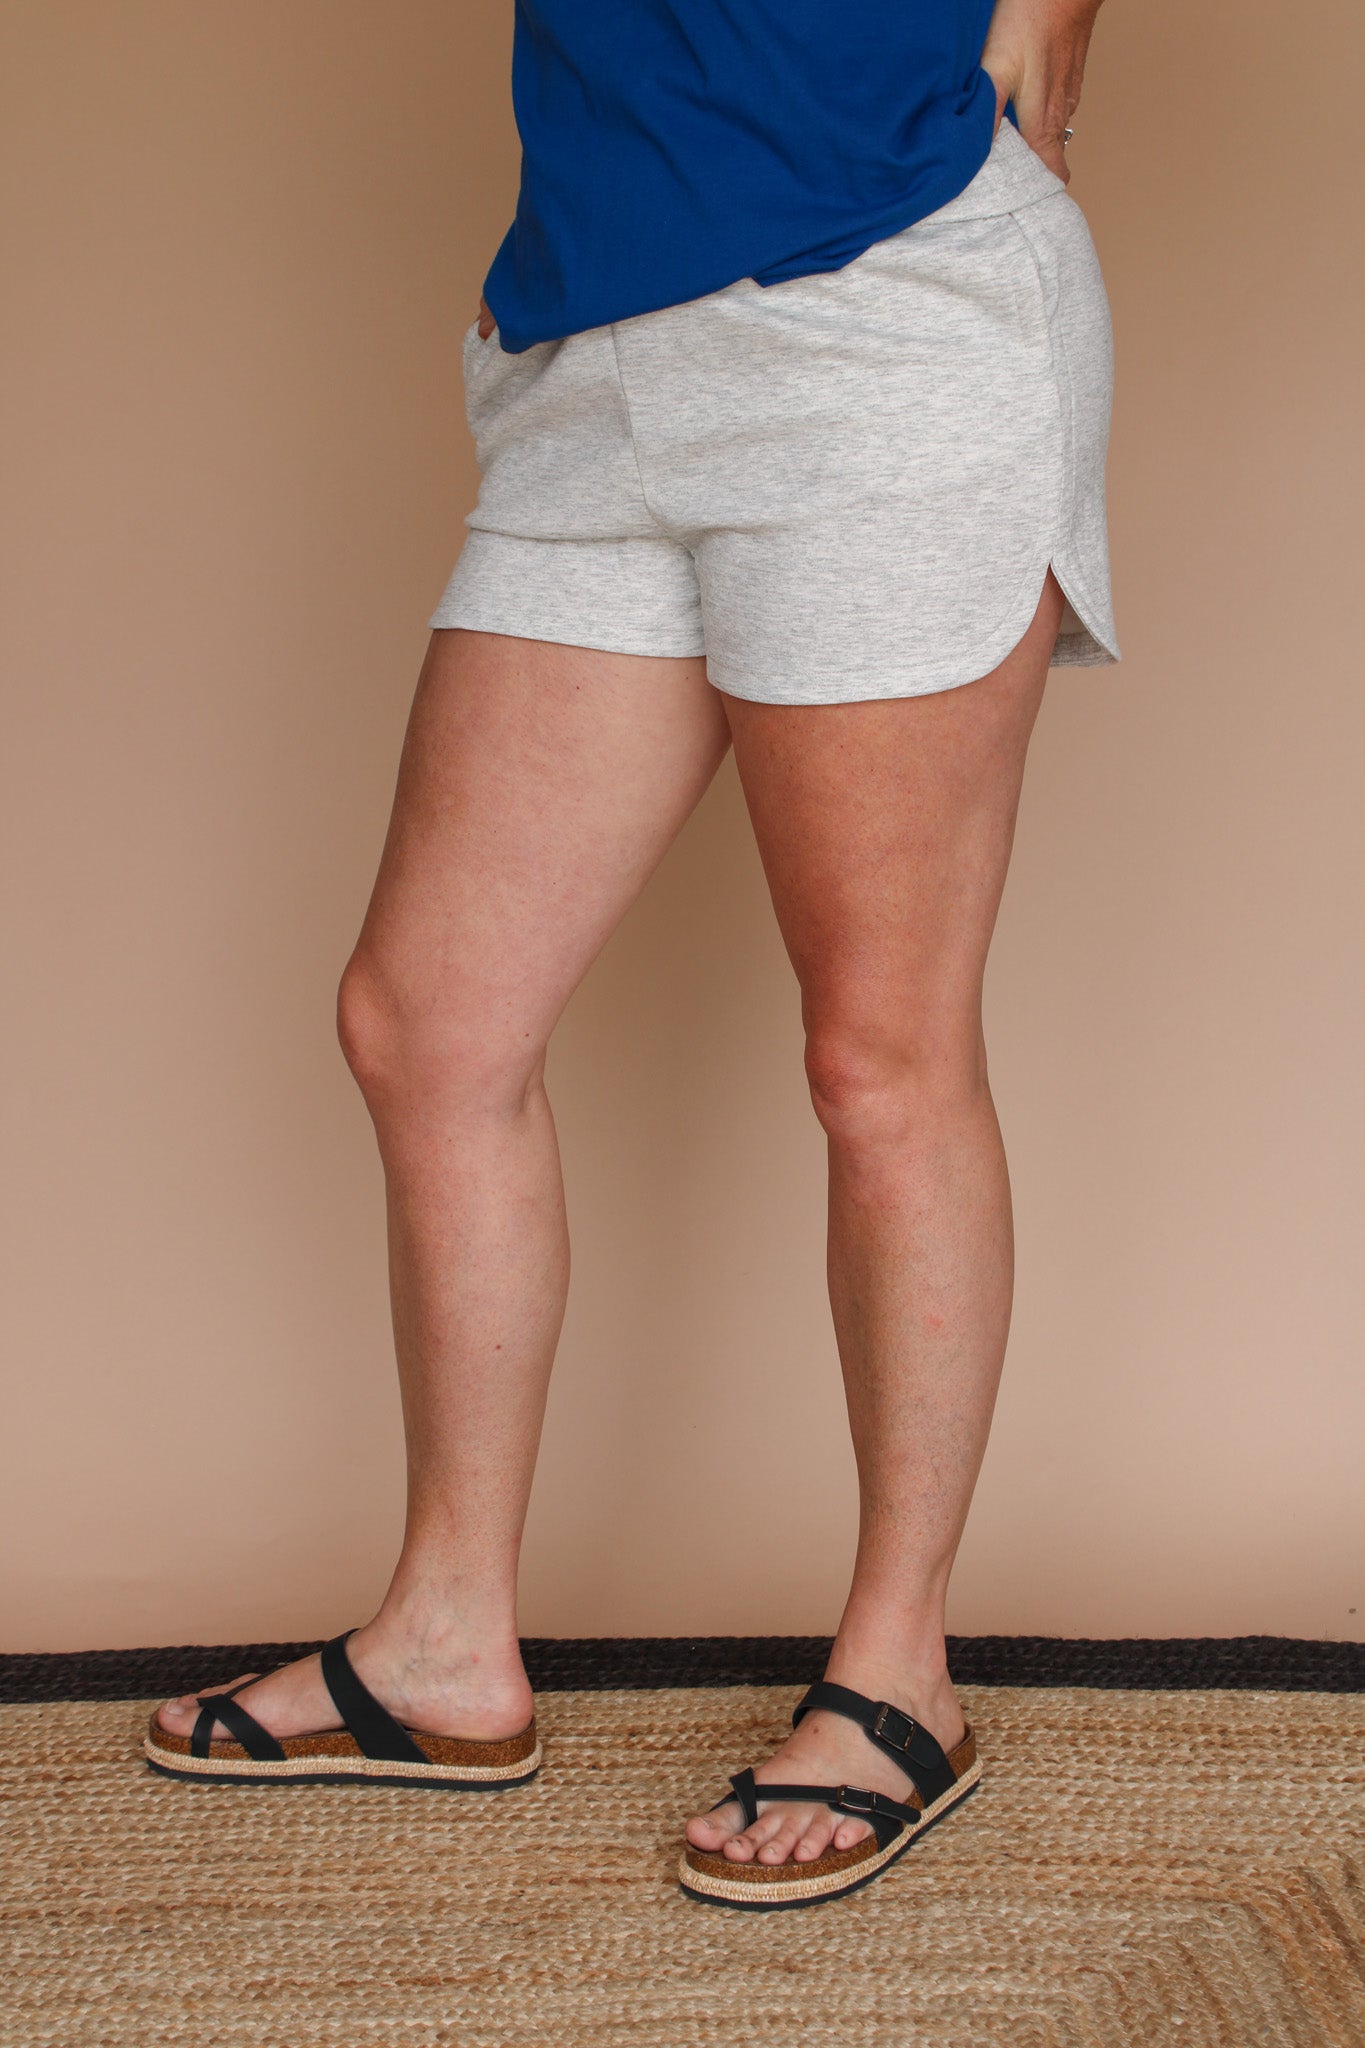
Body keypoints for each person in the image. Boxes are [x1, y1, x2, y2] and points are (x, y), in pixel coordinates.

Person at [148, 0, 1117, 1910]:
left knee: (878, 1056)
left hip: (879, 304)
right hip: (587, 342)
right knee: (428, 1025)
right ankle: (443, 1640)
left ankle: (897, 1675)